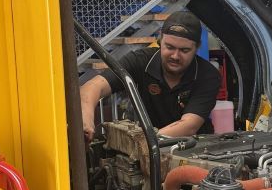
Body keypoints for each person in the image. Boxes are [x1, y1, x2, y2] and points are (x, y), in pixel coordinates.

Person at [80, 10, 220, 143]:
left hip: (194, 148)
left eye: (184, 50)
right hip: (149, 145)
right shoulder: (140, 61)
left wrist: (143, 143)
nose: (175, 56)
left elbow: (189, 126)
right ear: (160, 40)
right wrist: (86, 122)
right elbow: (92, 87)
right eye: (170, 47)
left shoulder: (207, 75)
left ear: (197, 47)